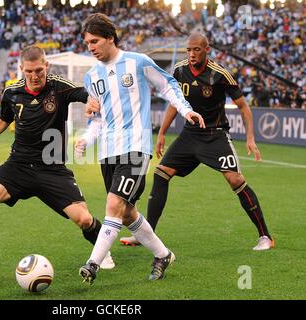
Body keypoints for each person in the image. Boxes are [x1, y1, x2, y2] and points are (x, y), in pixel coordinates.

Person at [0, 45, 114, 270]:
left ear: (47, 66)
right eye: (29, 72)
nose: (35, 76)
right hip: (19, 165)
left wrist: (91, 101)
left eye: (39, 71)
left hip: (52, 169)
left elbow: (83, 93)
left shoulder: (59, 87)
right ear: (21, 69)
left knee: (83, 219)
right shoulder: (12, 92)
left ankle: (103, 251)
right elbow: (4, 119)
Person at [77, 13, 205, 284]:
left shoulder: (138, 63)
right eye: (87, 42)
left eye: (95, 41)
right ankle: (163, 255)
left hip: (136, 147)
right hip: (108, 152)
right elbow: (97, 118)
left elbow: (168, 86)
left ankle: (93, 264)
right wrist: (87, 139)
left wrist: (186, 110)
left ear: (110, 37)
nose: (90, 47)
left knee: (113, 204)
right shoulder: (91, 77)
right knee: (125, 213)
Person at [119, 33, 275, 251]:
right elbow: (175, 103)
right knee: (161, 173)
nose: (192, 54)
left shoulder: (220, 75)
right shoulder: (179, 70)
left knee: (235, 180)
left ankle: (265, 236)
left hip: (215, 135)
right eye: (189, 50)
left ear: (206, 50)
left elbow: (244, 107)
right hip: (190, 135)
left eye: (196, 50)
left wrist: (250, 137)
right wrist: (162, 132)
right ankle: (147, 235)